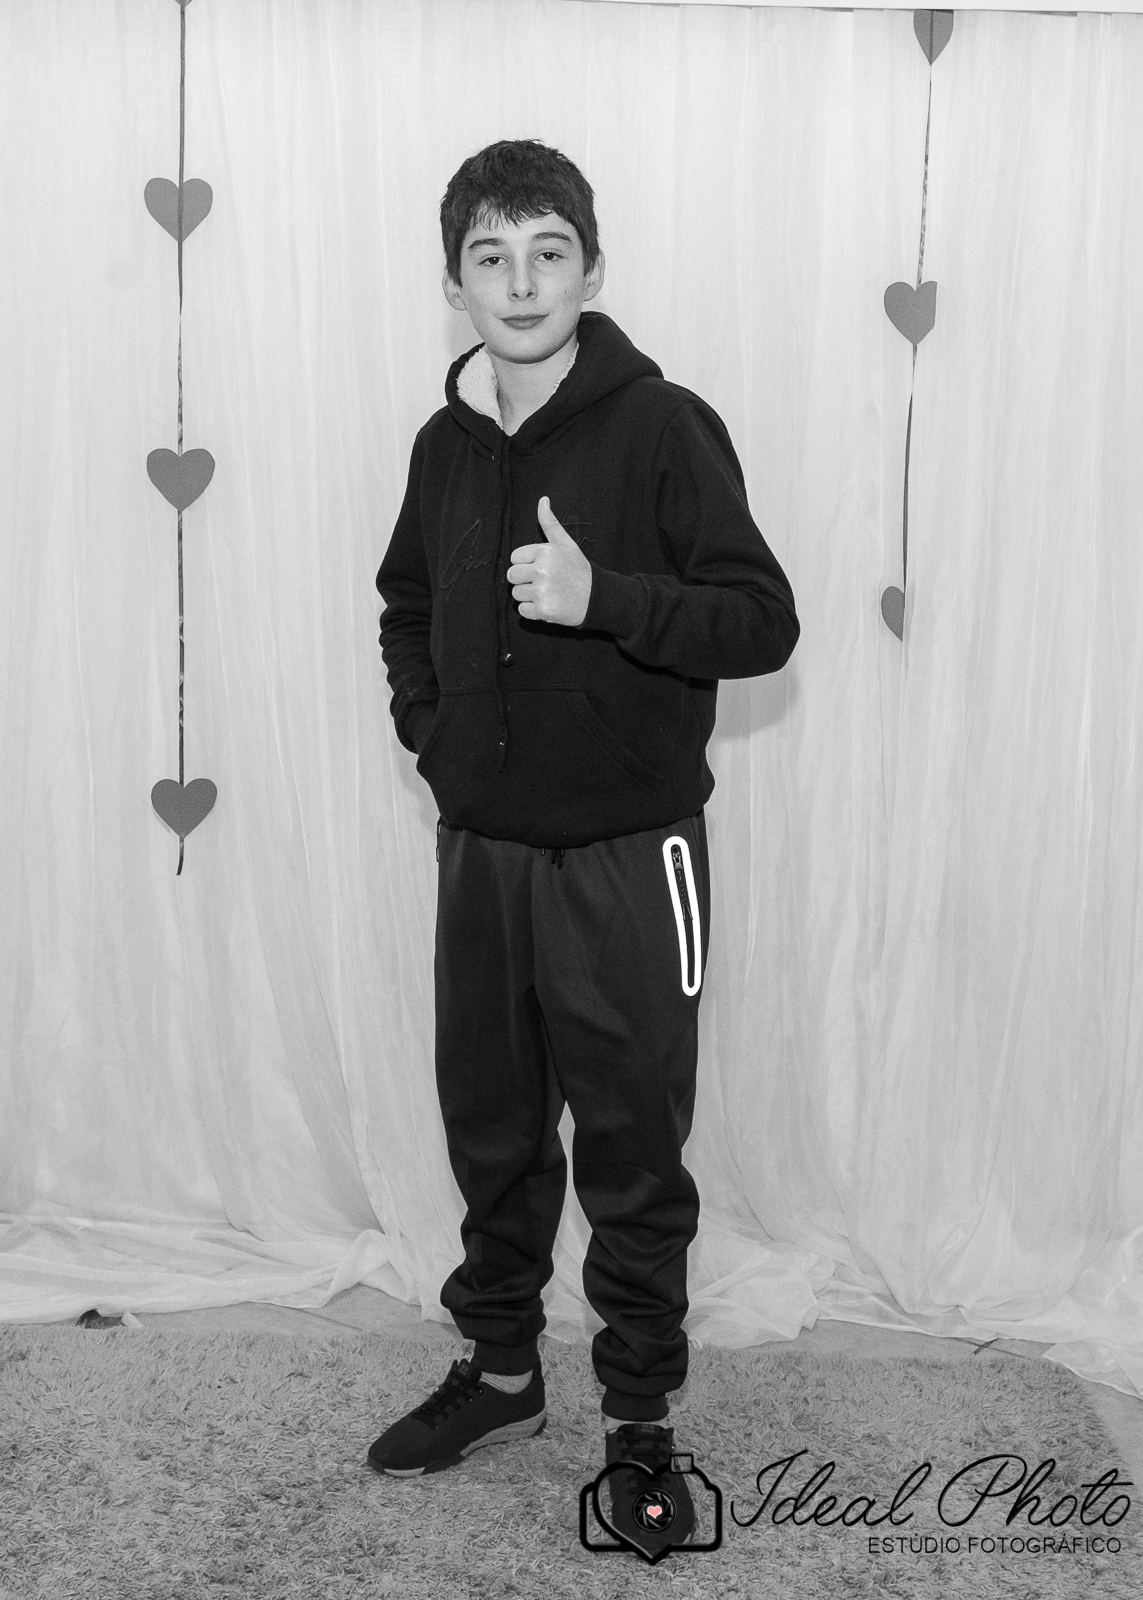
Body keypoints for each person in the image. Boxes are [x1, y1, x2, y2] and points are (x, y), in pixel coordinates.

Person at [369, 138, 798, 1553]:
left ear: (591, 270)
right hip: (484, 852)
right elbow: (404, 603)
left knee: (631, 1145)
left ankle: (640, 1418)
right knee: (491, 1129)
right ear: (455, 282)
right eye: (490, 257)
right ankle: (502, 1373)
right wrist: (431, 731)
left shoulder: (663, 425)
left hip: (630, 856)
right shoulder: (441, 446)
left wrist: (601, 594)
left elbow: (761, 621)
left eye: (547, 252)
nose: (521, 281)